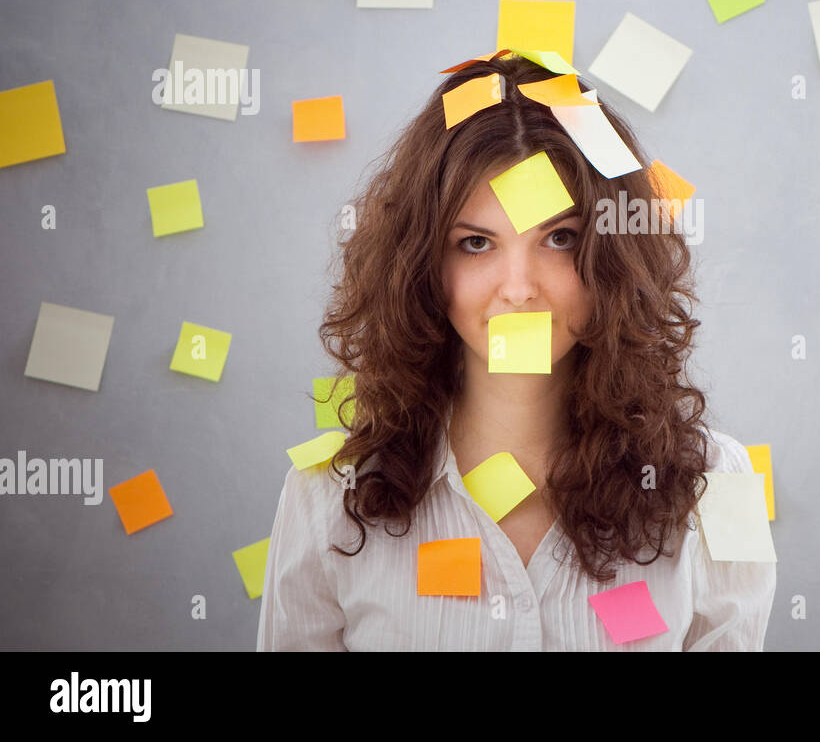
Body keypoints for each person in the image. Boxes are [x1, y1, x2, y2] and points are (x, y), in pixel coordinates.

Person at [256, 50, 776, 650]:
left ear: (612, 257)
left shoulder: (717, 484)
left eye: (559, 238)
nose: (520, 289)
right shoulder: (327, 498)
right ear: (423, 266)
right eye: (476, 243)